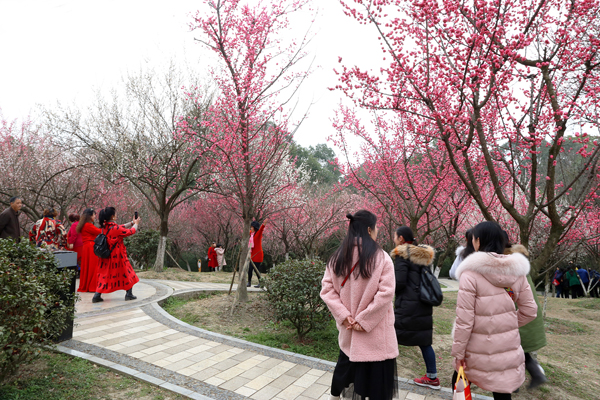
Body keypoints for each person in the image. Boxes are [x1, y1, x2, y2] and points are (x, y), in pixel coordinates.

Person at [452, 221, 537, 400]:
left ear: (477, 241)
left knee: (460, 381)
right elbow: (530, 310)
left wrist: (458, 353)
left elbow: (464, 320)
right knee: (502, 390)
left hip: (474, 346)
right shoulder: (516, 272)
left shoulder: (470, 274)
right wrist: (506, 325)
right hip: (506, 345)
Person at [320, 210, 398, 400]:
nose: (378, 230)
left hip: (348, 331)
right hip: (375, 336)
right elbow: (386, 294)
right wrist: (364, 321)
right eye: (376, 227)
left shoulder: (337, 257)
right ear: (369, 229)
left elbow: (327, 290)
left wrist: (344, 315)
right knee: (375, 386)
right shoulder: (381, 257)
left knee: (347, 376)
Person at [390, 226, 439, 390]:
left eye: (395, 236)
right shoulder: (421, 255)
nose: (394, 239)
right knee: (424, 341)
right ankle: (432, 377)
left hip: (408, 305)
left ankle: (383, 373)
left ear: (402, 239)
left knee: (390, 337)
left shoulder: (402, 254)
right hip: (423, 303)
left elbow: (400, 282)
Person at [503, 236, 548, 389]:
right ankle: (531, 377)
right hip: (530, 318)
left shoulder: (513, 273)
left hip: (521, 319)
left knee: (513, 352)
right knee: (520, 352)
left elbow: (510, 294)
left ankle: (525, 380)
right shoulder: (524, 271)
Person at [92, 207, 140, 303]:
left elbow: (120, 227)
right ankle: (129, 294)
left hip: (105, 257)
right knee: (127, 272)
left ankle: (97, 295)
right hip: (118, 257)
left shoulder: (104, 227)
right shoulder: (115, 228)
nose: (116, 215)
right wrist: (136, 224)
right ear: (112, 216)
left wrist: (132, 222)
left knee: (104, 275)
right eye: (115, 214)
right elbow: (131, 231)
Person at [77, 208, 101, 292]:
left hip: (86, 247)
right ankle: (92, 286)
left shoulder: (84, 225)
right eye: (94, 215)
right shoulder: (88, 225)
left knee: (88, 267)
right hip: (91, 247)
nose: (95, 217)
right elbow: (99, 231)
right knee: (93, 267)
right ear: (90, 216)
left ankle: (88, 285)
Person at [248, 220, 266, 287]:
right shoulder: (251, 234)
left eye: (252, 227)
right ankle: (249, 282)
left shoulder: (258, 234)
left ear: (255, 227)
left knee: (256, 270)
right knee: (250, 269)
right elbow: (248, 231)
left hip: (258, 254)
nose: (251, 228)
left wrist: (264, 224)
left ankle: (261, 283)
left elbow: (261, 229)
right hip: (253, 254)